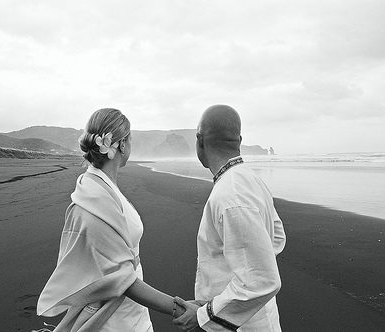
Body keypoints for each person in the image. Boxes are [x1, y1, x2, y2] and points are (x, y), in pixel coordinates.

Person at [36, 108, 184, 331]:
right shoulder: (94, 200)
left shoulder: (103, 190)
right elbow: (122, 277)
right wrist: (178, 308)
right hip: (114, 318)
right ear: (122, 145)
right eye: (130, 139)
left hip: (130, 309)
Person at [173, 105, 286, 332]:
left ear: (200, 140)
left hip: (242, 326)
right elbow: (276, 237)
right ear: (239, 140)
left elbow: (263, 280)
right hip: (257, 316)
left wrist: (204, 316)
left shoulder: (231, 195)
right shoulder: (249, 179)